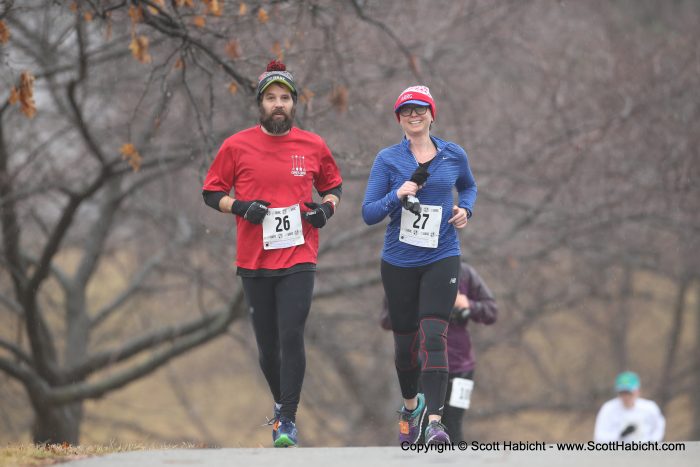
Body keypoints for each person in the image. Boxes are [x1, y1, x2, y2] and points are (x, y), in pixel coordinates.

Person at [201, 60, 343, 448]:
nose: (278, 104)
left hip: (299, 255)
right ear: (260, 104)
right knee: (267, 345)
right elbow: (211, 192)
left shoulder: (312, 145)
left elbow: (333, 186)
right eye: (271, 98)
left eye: (284, 98)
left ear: (294, 104)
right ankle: (281, 403)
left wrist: (325, 210)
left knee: (292, 331)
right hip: (254, 260)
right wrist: (242, 207)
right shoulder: (236, 145)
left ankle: (287, 420)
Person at [362, 85, 477, 445]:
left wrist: (465, 210)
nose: (415, 115)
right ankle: (411, 408)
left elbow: (469, 187)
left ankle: (436, 423)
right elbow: (368, 213)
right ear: (399, 118)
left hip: (442, 255)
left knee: (434, 337)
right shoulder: (388, 159)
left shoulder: (453, 154)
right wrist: (397, 195)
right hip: (398, 261)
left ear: (432, 114)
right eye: (407, 110)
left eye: (421, 109)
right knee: (406, 345)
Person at [380, 261, 497, 443]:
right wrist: (421, 306)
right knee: (419, 431)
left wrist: (468, 305)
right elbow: (387, 319)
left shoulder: (463, 273)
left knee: (453, 427)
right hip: (423, 366)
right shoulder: (407, 271)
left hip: (461, 368)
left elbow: (491, 312)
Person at [593, 371, 666, 442]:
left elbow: (658, 428)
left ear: (637, 391)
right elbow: (599, 437)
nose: (625, 397)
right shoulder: (608, 409)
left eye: (629, 393)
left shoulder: (650, 408)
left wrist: (652, 443)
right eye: (622, 393)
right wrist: (620, 435)